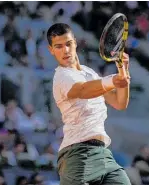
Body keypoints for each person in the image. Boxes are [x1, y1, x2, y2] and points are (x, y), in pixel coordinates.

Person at [47, 23, 131, 185]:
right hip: (78, 154)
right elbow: (83, 90)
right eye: (58, 46)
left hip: (103, 154)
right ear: (51, 50)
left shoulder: (89, 73)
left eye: (68, 44)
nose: (65, 50)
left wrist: (124, 70)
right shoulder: (62, 76)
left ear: (75, 43)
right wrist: (113, 80)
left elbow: (119, 103)